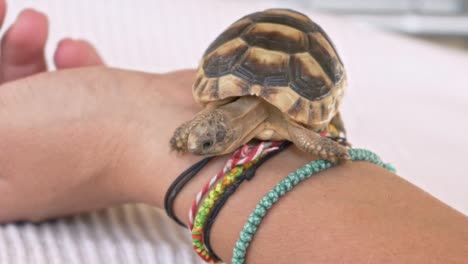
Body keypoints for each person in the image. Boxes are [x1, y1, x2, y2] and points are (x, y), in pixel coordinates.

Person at [0, 2, 467, 263]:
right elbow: (198, 126)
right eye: (206, 143)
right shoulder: (211, 114)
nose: (201, 147)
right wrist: (126, 121)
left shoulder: (288, 123)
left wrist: (122, 131)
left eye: (207, 144)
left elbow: (308, 138)